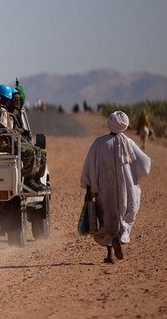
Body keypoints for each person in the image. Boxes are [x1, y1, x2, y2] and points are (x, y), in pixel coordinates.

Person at [81, 111, 151, 264]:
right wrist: (133, 174)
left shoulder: (99, 143)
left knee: (106, 218)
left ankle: (109, 254)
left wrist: (90, 187)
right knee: (124, 214)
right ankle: (119, 239)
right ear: (124, 125)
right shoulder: (129, 143)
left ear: (110, 123)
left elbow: (90, 167)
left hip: (104, 189)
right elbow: (145, 165)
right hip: (125, 189)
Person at [0, 89, 47, 191]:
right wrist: (0, 131)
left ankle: (35, 180)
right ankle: (28, 181)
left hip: (4, 144)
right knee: (29, 152)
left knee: (38, 151)